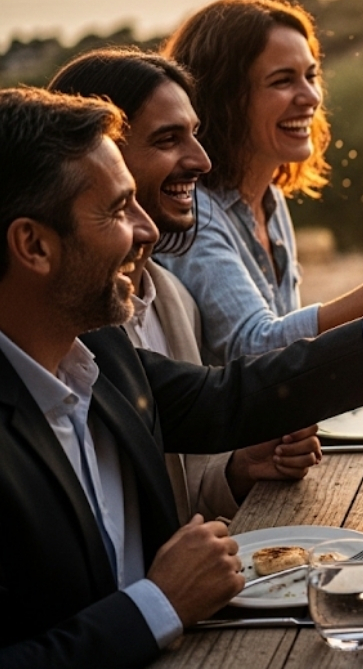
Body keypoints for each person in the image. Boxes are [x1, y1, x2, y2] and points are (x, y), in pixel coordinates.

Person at [0, 86, 363, 667]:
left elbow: (226, 397)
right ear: (33, 244)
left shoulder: (95, 351)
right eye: (117, 210)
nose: (148, 232)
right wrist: (156, 604)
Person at [48, 48, 323, 521]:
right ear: (100, 158)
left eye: (194, 135)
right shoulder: (63, 334)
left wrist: (238, 470)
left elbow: (181, 488)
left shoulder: (172, 300)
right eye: (168, 139)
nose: (201, 161)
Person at [159, 0, 363, 365]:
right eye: (282, 80)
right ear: (224, 97)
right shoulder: (192, 212)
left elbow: (285, 354)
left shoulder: (270, 199)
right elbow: (258, 347)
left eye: (311, 76)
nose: (311, 96)